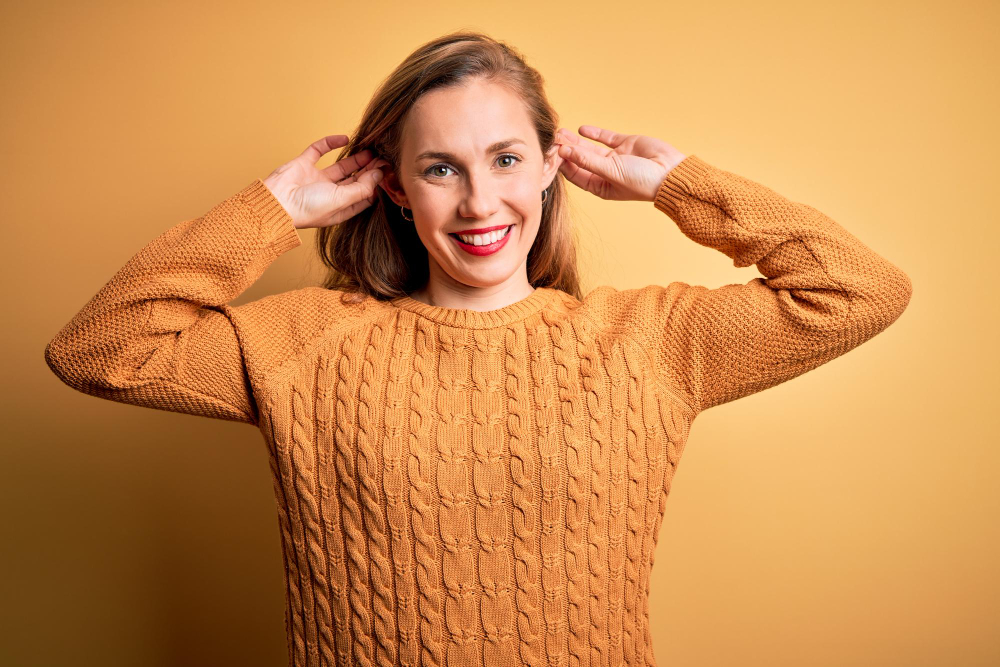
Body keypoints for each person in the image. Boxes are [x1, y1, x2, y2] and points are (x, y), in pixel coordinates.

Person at [44, 30, 912, 667]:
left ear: (549, 164)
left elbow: (861, 289)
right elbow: (98, 347)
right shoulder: (306, 341)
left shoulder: (650, 342)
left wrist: (677, 185)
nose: (478, 203)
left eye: (504, 158)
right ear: (392, 185)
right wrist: (274, 209)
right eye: (442, 168)